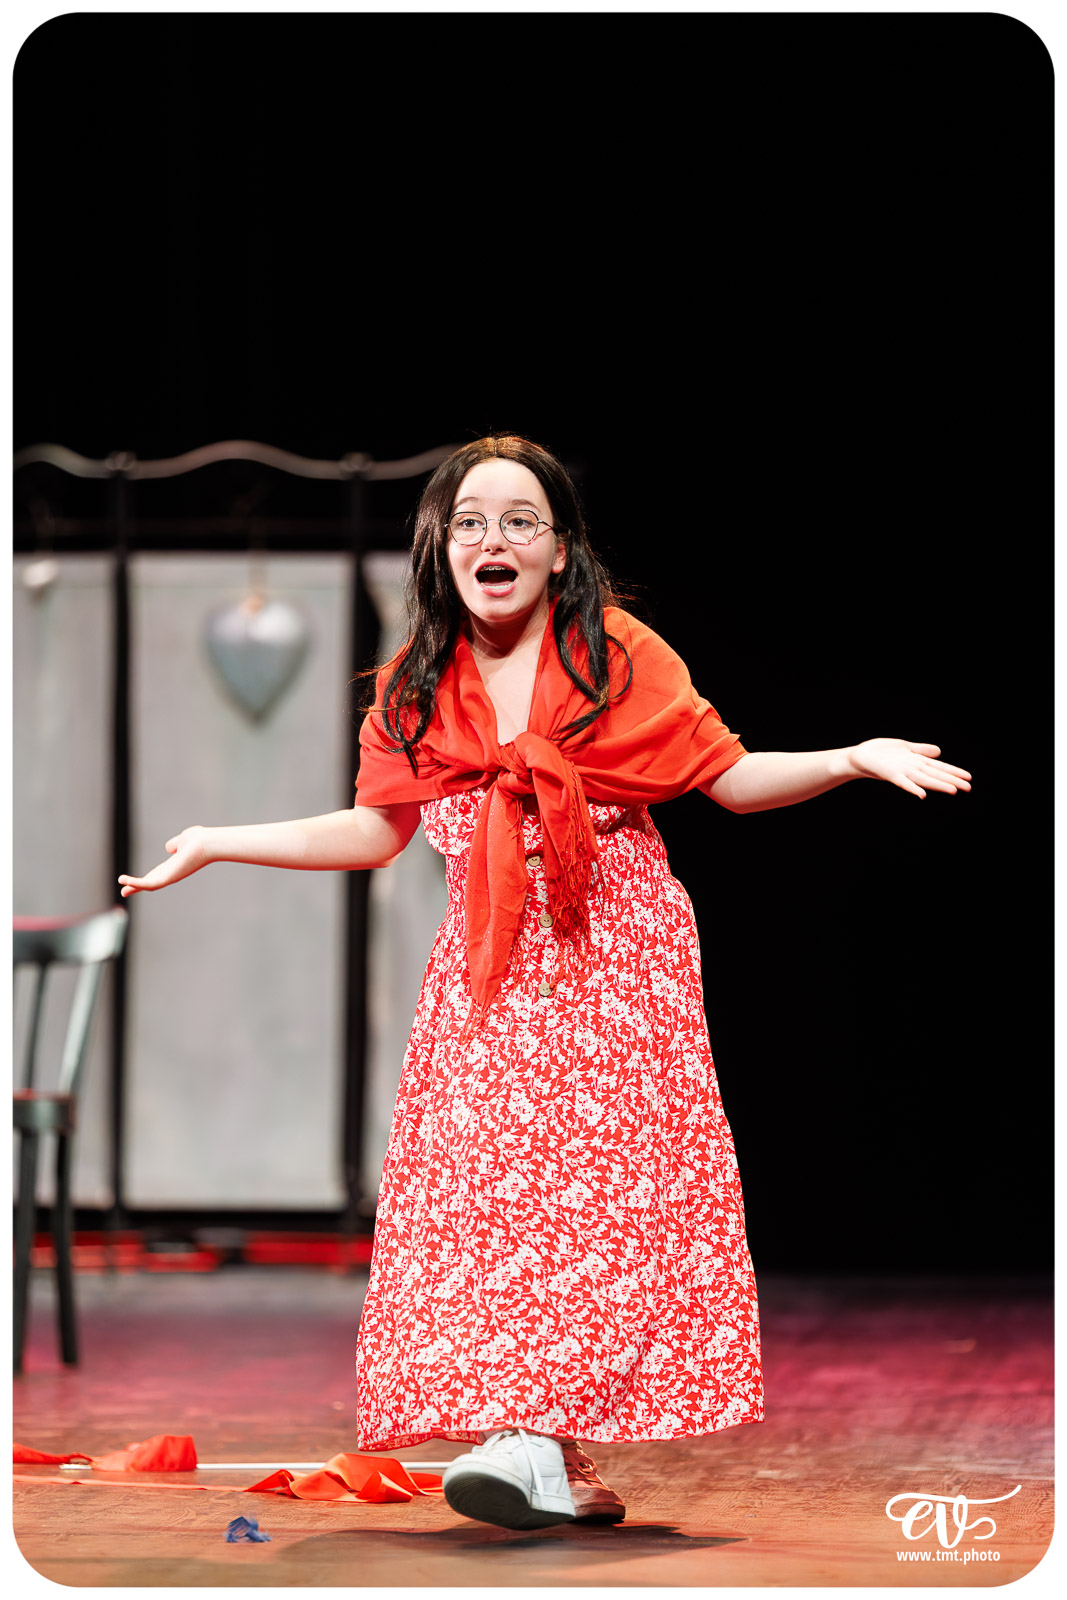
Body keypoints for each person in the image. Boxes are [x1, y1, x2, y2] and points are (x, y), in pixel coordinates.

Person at [119, 434, 972, 1533]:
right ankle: (540, 1452)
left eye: (520, 520)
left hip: (613, 957)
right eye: (470, 521)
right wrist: (220, 837)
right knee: (494, 1205)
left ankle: (534, 1444)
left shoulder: (615, 654)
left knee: (600, 1208)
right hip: (489, 971)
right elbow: (374, 830)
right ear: (440, 546)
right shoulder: (417, 685)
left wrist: (845, 758)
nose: (494, 538)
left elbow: (725, 775)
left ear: (559, 551)